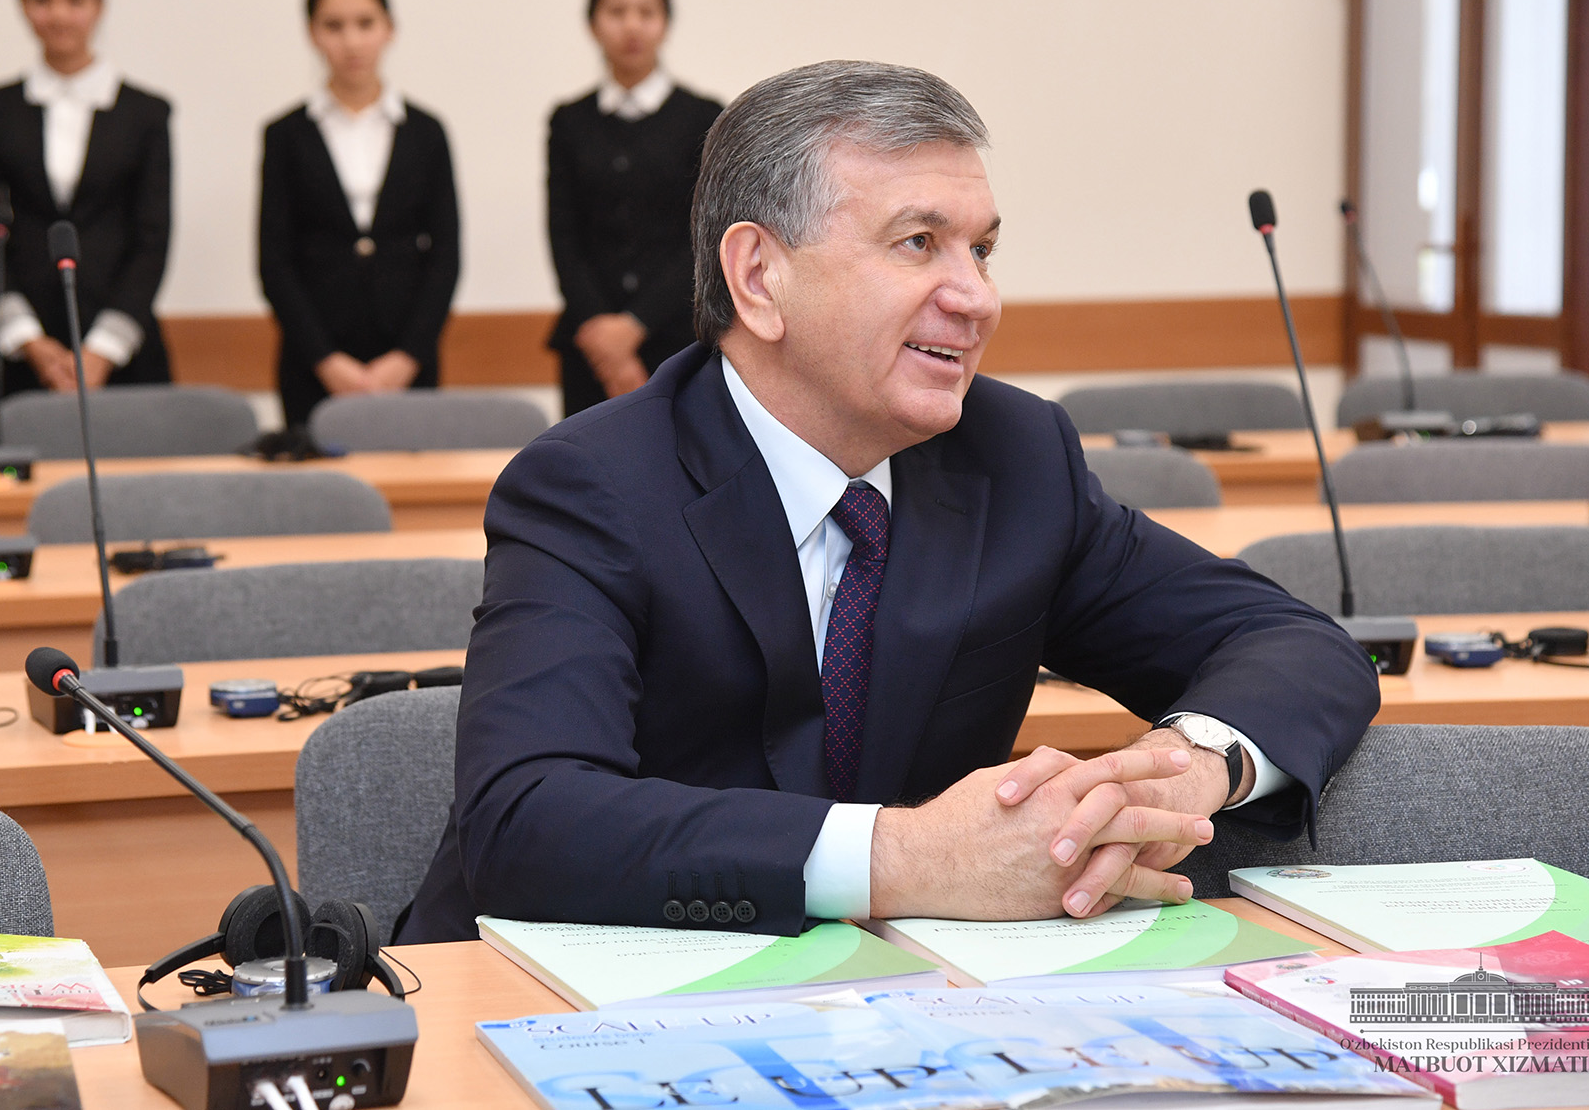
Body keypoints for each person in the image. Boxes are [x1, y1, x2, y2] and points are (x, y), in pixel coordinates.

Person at [398, 62, 1378, 943]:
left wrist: (1191, 760)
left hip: (885, 1019)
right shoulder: (593, 485)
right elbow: (529, 819)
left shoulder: (1015, 460)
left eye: (983, 250)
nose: (978, 297)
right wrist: (906, 859)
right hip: (565, 1003)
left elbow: (1300, 646)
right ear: (758, 277)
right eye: (919, 243)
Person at [0, 0, 172, 442]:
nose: (58, 14)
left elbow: (153, 238)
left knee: (139, 496)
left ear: (98, 5)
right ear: (22, 5)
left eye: (74, 0)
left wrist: (101, 350)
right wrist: (30, 342)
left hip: (121, 342)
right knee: (4, 485)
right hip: (17, 346)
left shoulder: (146, 112)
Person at [258, 0, 461, 429]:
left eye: (365, 24)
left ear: (389, 30)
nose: (351, 41)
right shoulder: (285, 135)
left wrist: (408, 356)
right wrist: (326, 360)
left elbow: (445, 254)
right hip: (315, 365)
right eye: (334, 26)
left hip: (408, 362)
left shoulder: (426, 132)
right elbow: (275, 260)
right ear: (312, 33)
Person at [546, 0, 721, 416]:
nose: (632, 25)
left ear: (666, 23)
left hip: (681, 337)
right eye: (616, 11)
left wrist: (635, 326)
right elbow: (564, 235)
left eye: (647, 11)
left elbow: (704, 236)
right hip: (589, 344)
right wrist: (605, 337)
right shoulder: (569, 121)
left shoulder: (703, 117)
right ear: (592, 23)